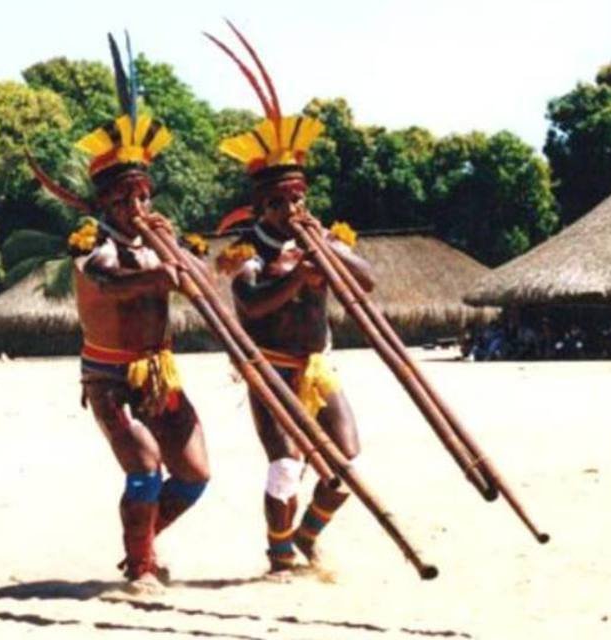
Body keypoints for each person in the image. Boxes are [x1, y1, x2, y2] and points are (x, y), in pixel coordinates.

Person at [30, 34, 209, 595]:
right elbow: (117, 283)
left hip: (159, 374)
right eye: (126, 200)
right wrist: (165, 268)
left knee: (196, 476)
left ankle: (142, 546)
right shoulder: (92, 248)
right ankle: (140, 569)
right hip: (109, 378)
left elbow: (201, 289)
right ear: (105, 204)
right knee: (145, 465)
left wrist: (178, 256)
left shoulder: (164, 242)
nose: (138, 209)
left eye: (144, 198)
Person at [208, 24, 375, 578]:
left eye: (298, 198)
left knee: (346, 460)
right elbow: (251, 308)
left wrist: (323, 252)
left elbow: (366, 282)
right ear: (261, 205)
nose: (292, 209)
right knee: (286, 466)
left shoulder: (324, 238)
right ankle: (278, 556)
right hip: (271, 371)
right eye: (281, 202)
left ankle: (307, 535)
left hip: (318, 366)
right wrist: (296, 274)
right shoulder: (244, 250)